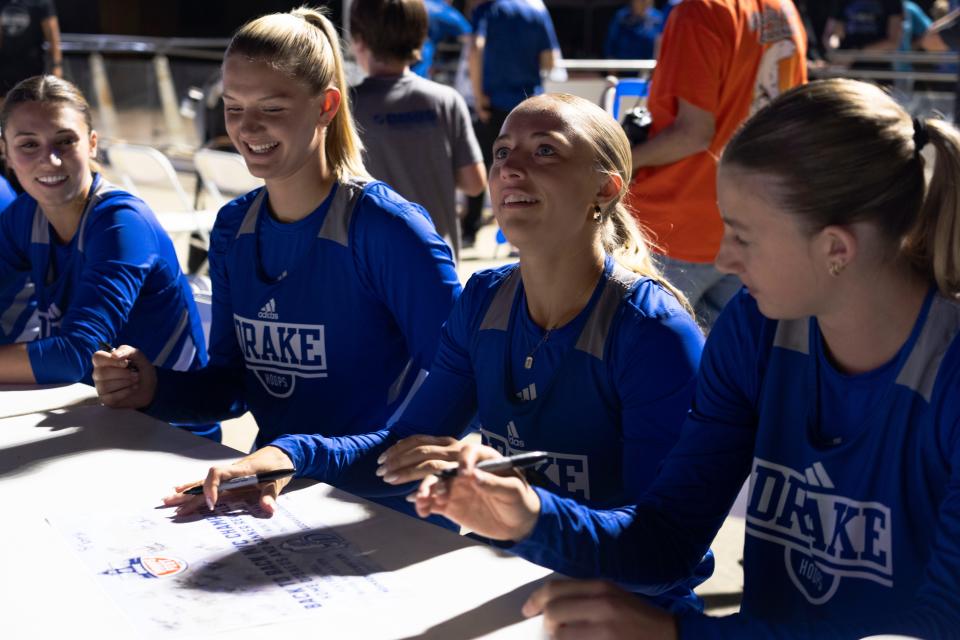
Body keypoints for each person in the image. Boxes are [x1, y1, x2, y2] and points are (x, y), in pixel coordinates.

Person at [413, 78, 960, 638]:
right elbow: (668, 538)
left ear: (836, 250)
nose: (724, 259)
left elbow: (936, 626)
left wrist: (677, 634)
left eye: (744, 237)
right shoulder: (756, 329)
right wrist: (531, 516)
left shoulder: (945, 370)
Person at [161, 93, 712, 614]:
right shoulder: (485, 300)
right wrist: (291, 457)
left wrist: (525, 511)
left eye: (545, 149)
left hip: (630, 615)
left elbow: (660, 554)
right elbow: (401, 449)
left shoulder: (652, 332)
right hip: (516, 590)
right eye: (501, 152)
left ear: (605, 189)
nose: (510, 167)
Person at [92, 8, 460, 454]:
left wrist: (327, 461)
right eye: (233, 107)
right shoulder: (233, 228)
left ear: (326, 105)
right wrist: (152, 388)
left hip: (380, 504)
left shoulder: (388, 229)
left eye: (272, 108)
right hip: (274, 490)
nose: (247, 128)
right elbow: (232, 386)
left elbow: (462, 388)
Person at [0, 75, 207, 394]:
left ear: (93, 143)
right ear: (6, 154)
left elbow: (76, 355)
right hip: (87, 409)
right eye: (29, 144)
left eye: (66, 141)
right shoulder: (24, 215)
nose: (50, 159)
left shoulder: (122, 223)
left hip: (170, 430)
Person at [626, 0, 807, 330]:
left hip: (675, 226)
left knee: (643, 365)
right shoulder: (784, 10)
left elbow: (692, 134)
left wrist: (619, 162)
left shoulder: (700, 11)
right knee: (728, 370)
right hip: (751, 226)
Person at [350, 0, 486, 260]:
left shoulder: (347, 106)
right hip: (437, 259)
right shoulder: (446, 100)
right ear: (421, 37)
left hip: (372, 263)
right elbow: (474, 183)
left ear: (360, 40)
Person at [461, 0, 559, 247]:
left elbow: (476, 49)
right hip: (530, 104)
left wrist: (478, 94)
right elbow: (549, 60)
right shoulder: (537, 9)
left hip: (495, 103)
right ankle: (527, 232)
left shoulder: (488, 9)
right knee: (532, 169)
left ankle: (470, 231)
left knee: (486, 164)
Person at [0, 0, 62, 97]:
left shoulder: (41, 2)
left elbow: (53, 36)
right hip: (5, 67)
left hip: (32, 67)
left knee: (31, 102)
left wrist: (56, 65)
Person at [412, 0, 473, 79]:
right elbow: (468, 35)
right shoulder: (443, 10)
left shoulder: (416, 3)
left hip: (396, 58)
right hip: (418, 64)